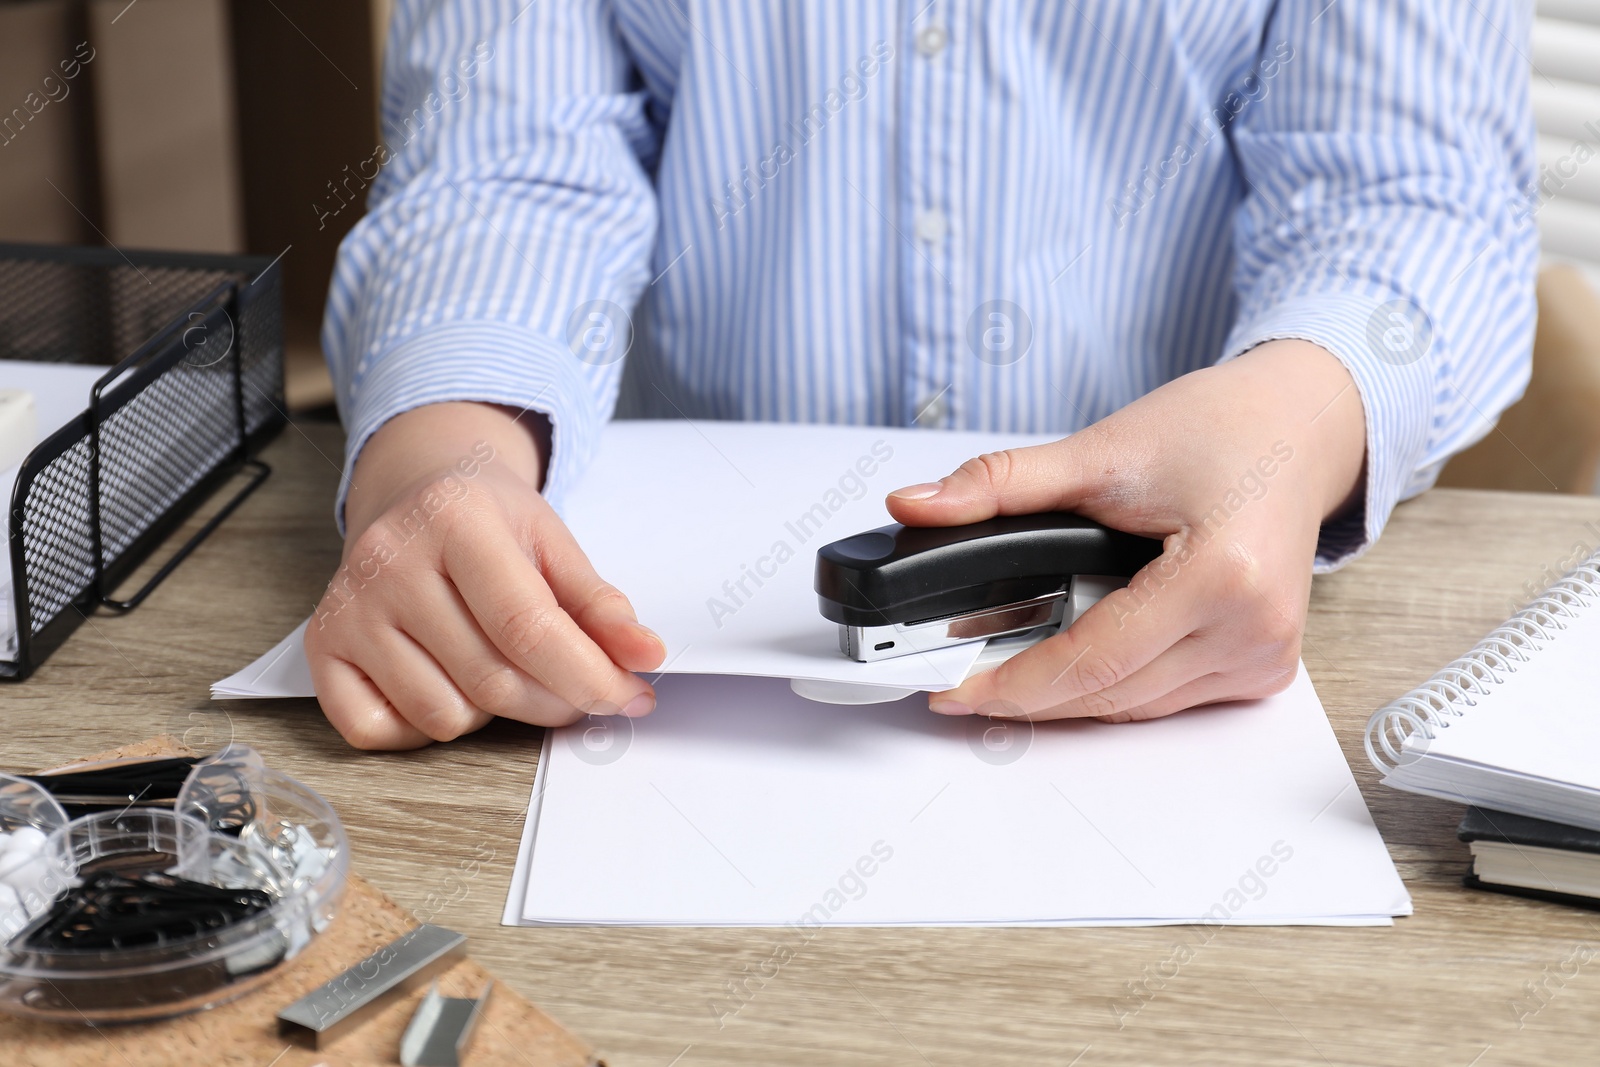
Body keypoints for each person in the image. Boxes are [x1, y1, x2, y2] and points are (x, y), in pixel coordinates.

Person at [307, 0, 1537, 749]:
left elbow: (1410, 188)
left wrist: (1292, 421)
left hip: (1189, 636)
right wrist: (441, 454)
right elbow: (505, 161)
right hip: (639, 630)